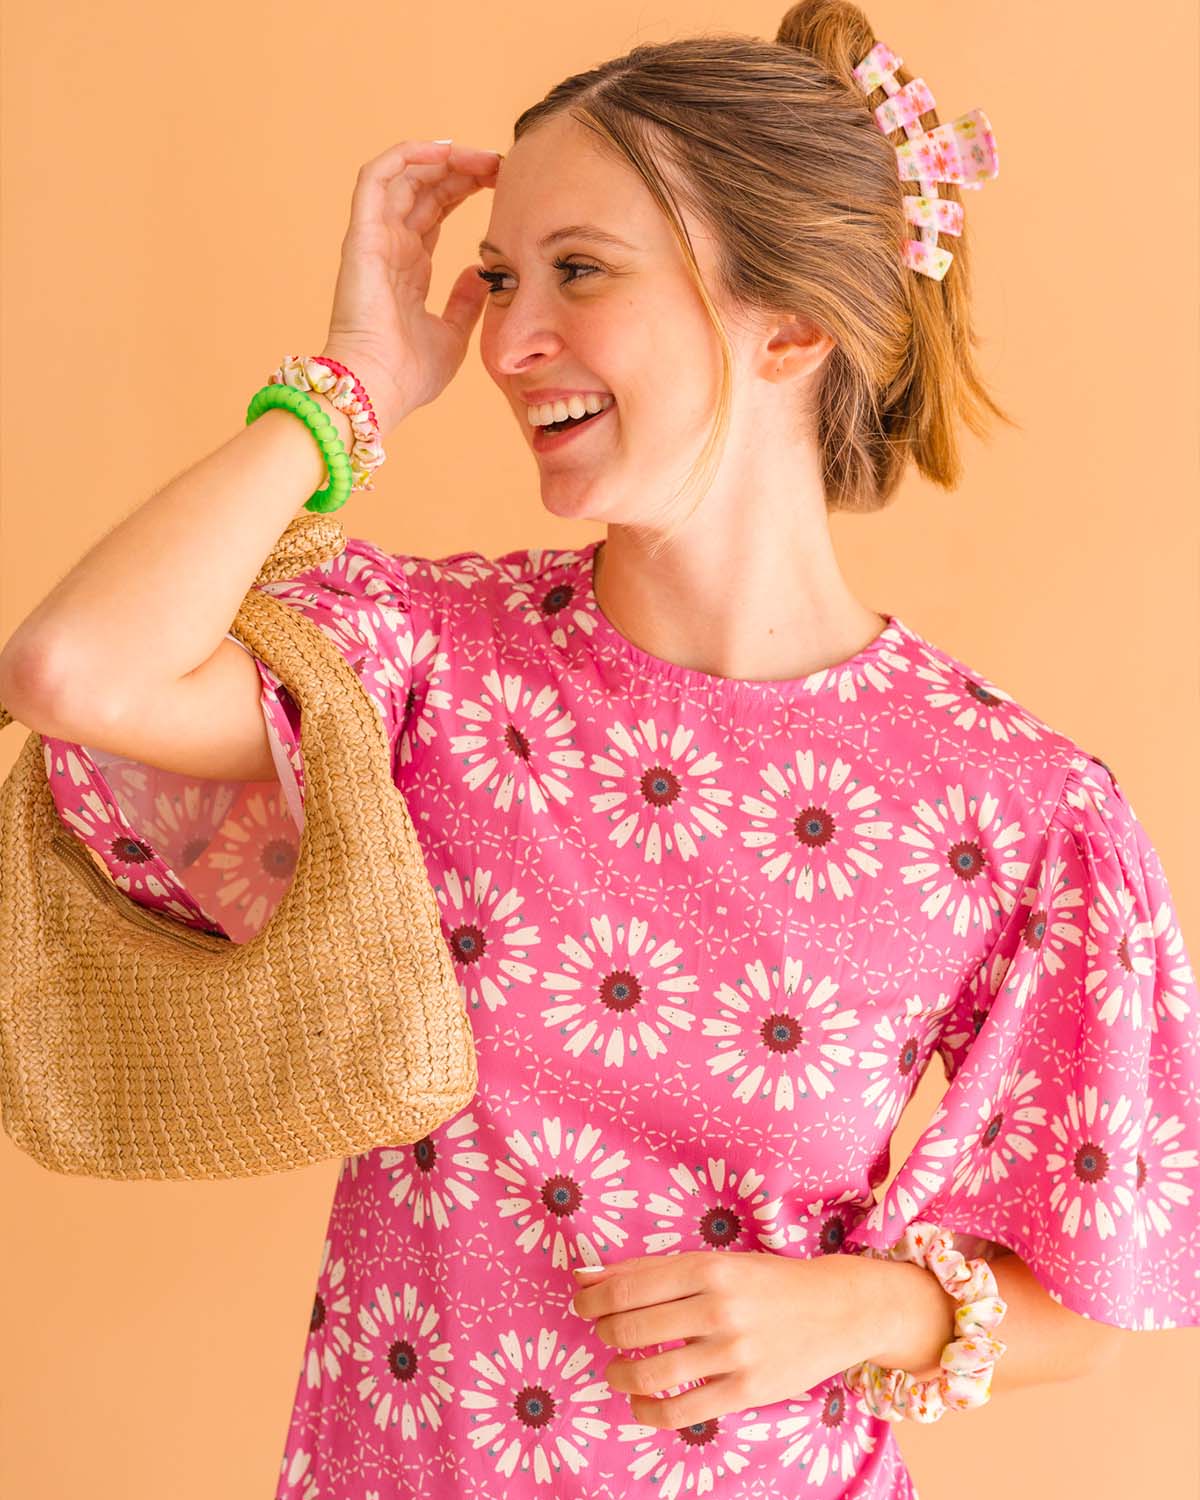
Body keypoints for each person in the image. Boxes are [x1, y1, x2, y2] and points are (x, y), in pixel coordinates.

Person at [3, 3, 1197, 1496]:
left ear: (794, 322)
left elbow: (1097, 1277)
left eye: (579, 272)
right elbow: (70, 669)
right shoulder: (421, 664)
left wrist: (863, 1307)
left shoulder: (1018, 808)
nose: (506, 340)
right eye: (501, 276)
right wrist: (350, 386)